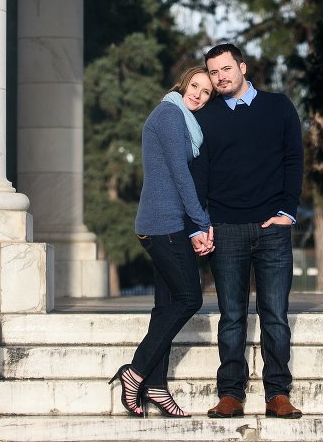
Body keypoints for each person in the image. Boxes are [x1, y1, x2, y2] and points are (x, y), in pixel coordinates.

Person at [191, 42, 304, 420]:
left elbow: (293, 158)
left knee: (274, 314)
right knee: (232, 316)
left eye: (226, 69)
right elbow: (200, 173)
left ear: (242, 66)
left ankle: (277, 394)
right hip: (225, 228)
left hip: (272, 228)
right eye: (213, 72)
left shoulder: (278, 107)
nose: (220, 77)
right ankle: (230, 395)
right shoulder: (205, 117)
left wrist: (288, 210)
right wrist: (201, 222)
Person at [109, 66, 215, 418]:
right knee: (189, 298)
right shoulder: (170, 115)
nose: (197, 94)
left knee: (165, 304)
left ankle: (155, 386)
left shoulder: (183, 119)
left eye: (206, 92)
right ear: (183, 83)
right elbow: (180, 175)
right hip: (163, 225)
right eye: (194, 86)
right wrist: (201, 222)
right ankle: (136, 372)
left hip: (165, 223)